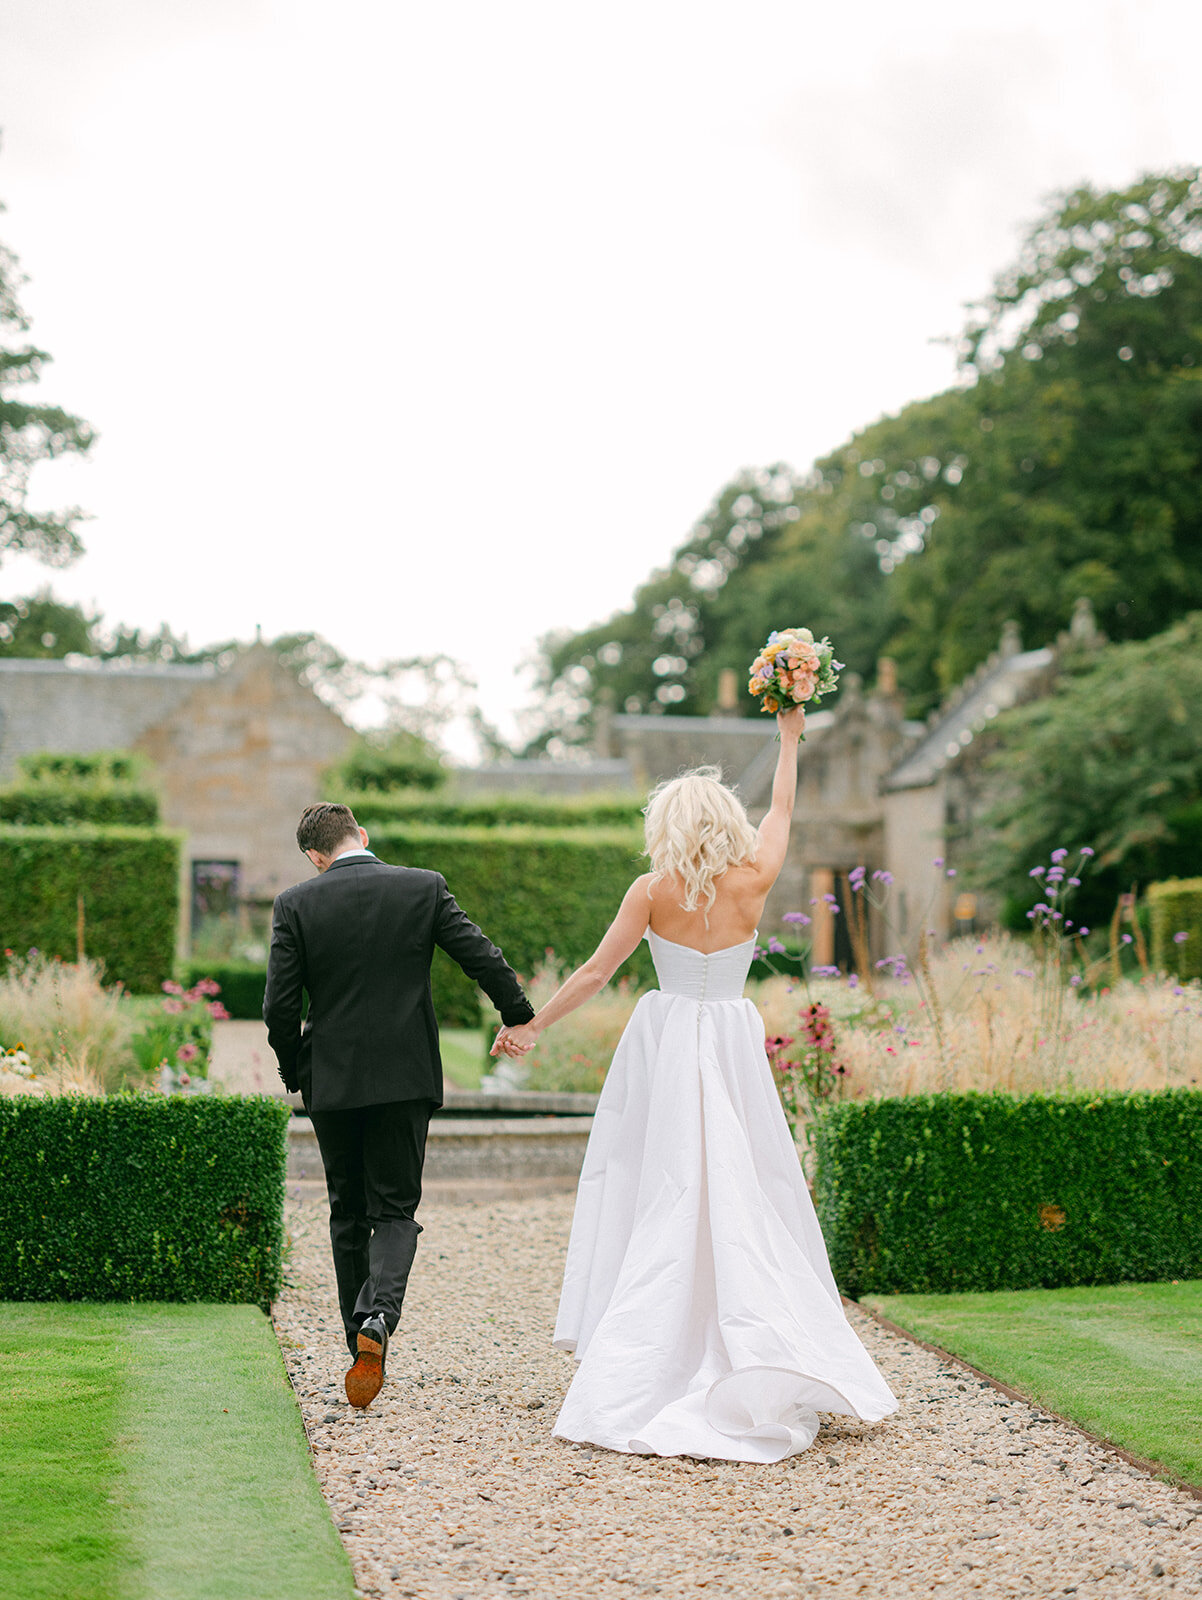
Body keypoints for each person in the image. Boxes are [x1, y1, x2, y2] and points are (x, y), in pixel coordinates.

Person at [491, 706, 899, 1461]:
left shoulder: (652, 889)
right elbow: (782, 807)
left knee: (663, 1181)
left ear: (669, 825)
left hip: (671, 1039)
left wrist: (533, 1025)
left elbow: (595, 972)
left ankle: (652, 1343)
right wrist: (788, 734)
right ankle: (747, 1327)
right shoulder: (757, 876)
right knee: (743, 1180)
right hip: (732, 1035)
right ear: (723, 820)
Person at [265, 801, 535, 1408]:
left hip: (332, 1082)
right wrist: (517, 1015)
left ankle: (355, 1336)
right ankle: (378, 1318)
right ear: (362, 835)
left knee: (346, 1212)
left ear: (315, 856)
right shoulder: (423, 887)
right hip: (406, 1077)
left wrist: (296, 1068)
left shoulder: (296, 904)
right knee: (393, 1208)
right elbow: (481, 957)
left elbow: (278, 1008)